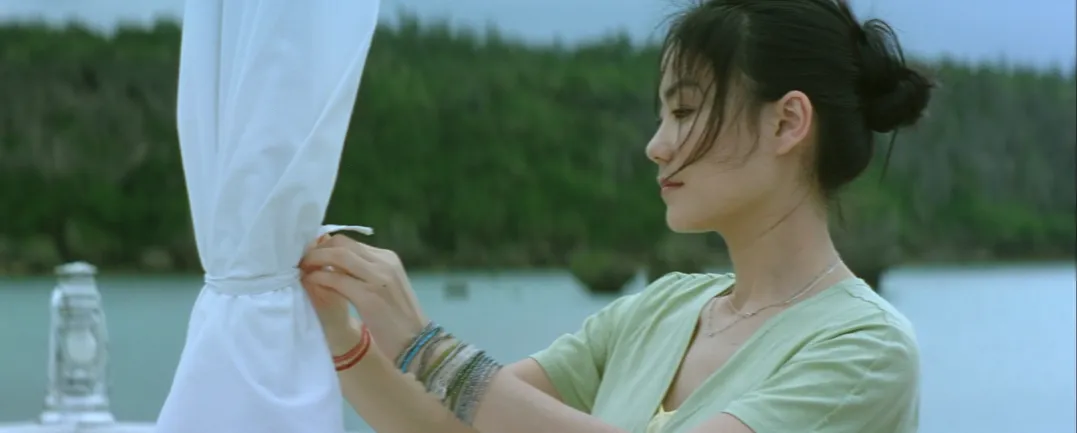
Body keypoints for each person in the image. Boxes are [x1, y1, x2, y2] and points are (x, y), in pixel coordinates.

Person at [298, 0, 933, 431]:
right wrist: (337, 330)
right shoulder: (659, 310)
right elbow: (452, 425)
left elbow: (463, 388)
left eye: (684, 111)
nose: (657, 145)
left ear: (787, 122)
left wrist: (427, 346)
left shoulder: (867, 348)